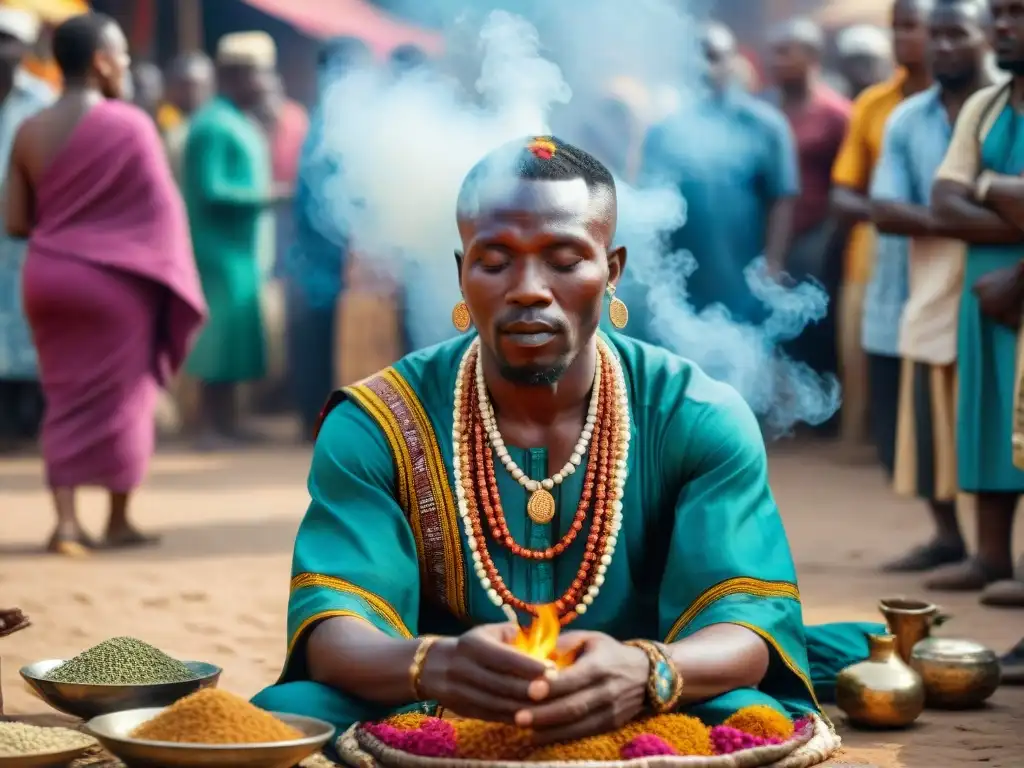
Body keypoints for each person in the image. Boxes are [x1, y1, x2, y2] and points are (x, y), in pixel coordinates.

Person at [251, 137, 878, 745]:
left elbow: (745, 625)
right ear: (462, 272)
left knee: (747, 715)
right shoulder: (377, 423)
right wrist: (435, 665)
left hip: (648, 694)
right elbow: (335, 633)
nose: (527, 287)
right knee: (288, 712)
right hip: (433, 701)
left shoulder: (697, 415)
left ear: (613, 269)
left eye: (564, 259)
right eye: (495, 260)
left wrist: (648, 670)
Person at [5, 12, 206, 555]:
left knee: (63, 395)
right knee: (125, 399)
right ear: (99, 62)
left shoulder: (28, 130)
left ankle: (67, 523)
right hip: (117, 285)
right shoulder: (132, 125)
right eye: (120, 56)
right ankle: (116, 519)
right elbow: (164, 214)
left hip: (48, 280)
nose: (125, 66)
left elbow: (16, 223)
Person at [870, 0, 994, 578]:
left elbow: (904, 210)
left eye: (956, 34)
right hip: (931, 285)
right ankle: (949, 537)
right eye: (934, 33)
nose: (941, 46)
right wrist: (979, 220)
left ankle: (997, 554)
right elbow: (885, 210)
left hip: (1000, 281)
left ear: (986, 37)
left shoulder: (1003, 108)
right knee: (929, 416)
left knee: (999, 416)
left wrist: (950, 216)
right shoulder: (905, 118)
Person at [929, 0, 1023, 605]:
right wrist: (1002, 192)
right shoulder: (985, 107)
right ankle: (990, 557)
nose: (1004, 28)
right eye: (998, 15)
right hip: (986, 294)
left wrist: (1019, 277)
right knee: (989, 415)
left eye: (1017, 14)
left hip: (1009, 286)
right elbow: (944, 202)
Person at [642, 22, 797, 327]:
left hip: (744, 263)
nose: (704, 66)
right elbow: (650, 202)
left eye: (714, 56)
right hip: (684, 266)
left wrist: (774, 262)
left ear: (732, 62)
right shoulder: (664, 130)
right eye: (697, 56)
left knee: (745, 348)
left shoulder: (766, 126)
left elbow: (782, 197)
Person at [831, 0, 932, 457]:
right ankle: (879, 448)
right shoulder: (873, 105)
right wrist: (892, 212)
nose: (904, 37)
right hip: (874, 254)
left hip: (944, 254)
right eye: (898, 27)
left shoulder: (975, 102)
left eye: (914, 27)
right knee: (870, 359)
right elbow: (843, 191)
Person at [182, 32, 282, 449]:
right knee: (217, 340)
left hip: (240, 254)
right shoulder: (212, 124)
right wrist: (271, 196)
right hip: (218, 253)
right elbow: (211, 189)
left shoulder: (237, 120)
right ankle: (208, 426)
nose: (266, 82)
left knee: (237, 341)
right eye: (261, 73)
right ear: (237, 75)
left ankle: (229, 422)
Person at [285, 37, 371, 440]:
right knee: (319, 336)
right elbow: (328, 197)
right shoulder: (331, 124)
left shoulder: (333, 118)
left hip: (321, 252)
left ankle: (315, 418)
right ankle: (314, 421)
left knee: (318, 335)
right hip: (322, 252)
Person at [765, 18, 851, 397]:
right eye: (774, 52)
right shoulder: (766, 114)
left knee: (815, 319)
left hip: (818, 235)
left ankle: (821, 407)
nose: (776, 61)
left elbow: (848, 182)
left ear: (811, 56)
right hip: (770, 234)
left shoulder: (836, 114)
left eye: (786, 52)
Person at [0, 9, 54, 452]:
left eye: (8, 39)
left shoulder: (44, 104)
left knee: (31, 338)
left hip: (30, 245)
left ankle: (30, 429)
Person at [160, 52, 214, 182]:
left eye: (199, 86)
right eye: (185, 86)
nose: (193, 93)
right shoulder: (163, 126)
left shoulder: (219, 129)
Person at [835, 25, 896, 98]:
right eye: (855, 62)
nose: (860, 69)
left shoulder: (894, 102)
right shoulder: (837, 103)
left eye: (867, 63)